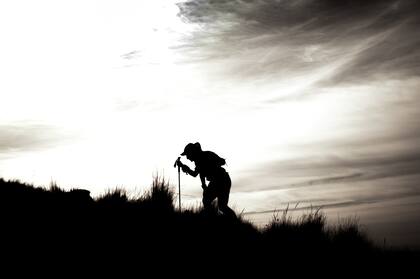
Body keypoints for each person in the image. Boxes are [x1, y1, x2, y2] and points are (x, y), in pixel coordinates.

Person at [177, 142, 236, 218]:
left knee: (209, 202)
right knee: (221, 206)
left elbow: (196, 174)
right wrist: (204, 186)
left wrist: (184, 167)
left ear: (192, 152)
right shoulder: (202, 158)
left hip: (220, 180)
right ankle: (233, 221)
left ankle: (210, 218)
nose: (187, 157)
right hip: (223, 179)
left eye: (187, 154)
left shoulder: (202, 158)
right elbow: (199, 173)